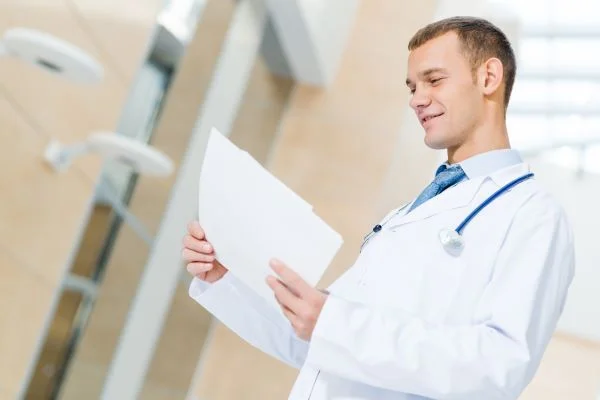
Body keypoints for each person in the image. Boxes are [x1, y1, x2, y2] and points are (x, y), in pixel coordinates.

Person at [182, 16, 575, 400]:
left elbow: (499, 364)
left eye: (434, 80)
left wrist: (335, 325)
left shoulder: (532, 214)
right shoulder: (409, 213)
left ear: (488, 77)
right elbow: (315, 343)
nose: (416, 99)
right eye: (412, 86)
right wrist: (226, 279)